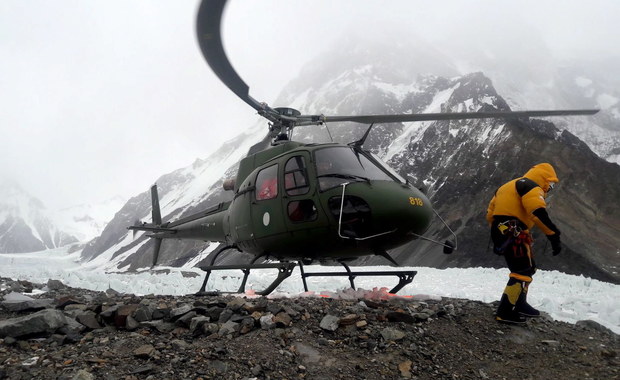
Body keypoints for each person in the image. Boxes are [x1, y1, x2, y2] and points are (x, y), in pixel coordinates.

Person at [486, 163, 562, 324]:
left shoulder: (506, 186)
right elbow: (537, 212)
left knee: (528, 267)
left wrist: (498, 232)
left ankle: (520, 303)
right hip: (515, 230)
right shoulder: (531, 187)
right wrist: (553, 234)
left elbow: (490, 213)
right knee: (522, 270)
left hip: (502, 229)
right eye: (551, 184)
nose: (550, 188)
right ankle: (505, 311)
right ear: (544, 179)